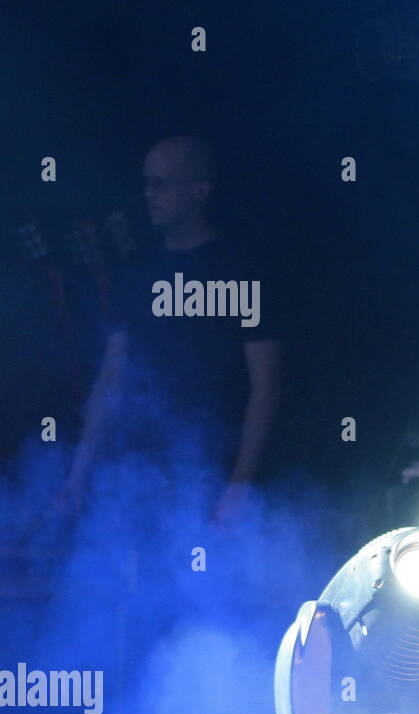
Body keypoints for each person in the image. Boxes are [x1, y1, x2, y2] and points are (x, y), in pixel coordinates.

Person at [53, 133, 281, 526]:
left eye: (161, 183)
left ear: (199, 191)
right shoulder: (137, 273)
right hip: (142, 472)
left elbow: (266, 385)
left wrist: (240, 485)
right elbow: (112, 377)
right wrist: (77, 475)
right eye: (146, 182)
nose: (148, 194)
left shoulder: (240, 270)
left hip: (214, 469)